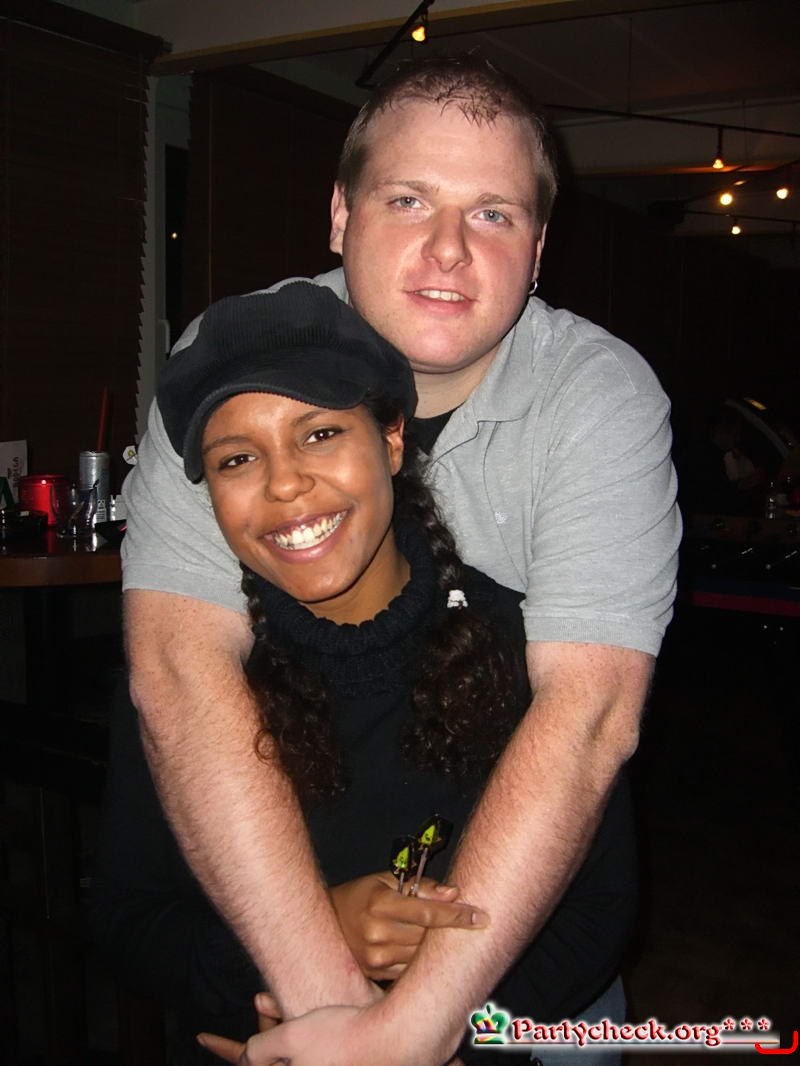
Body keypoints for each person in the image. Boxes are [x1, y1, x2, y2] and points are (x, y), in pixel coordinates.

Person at [121, 54, 679, 1065]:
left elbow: (589, 717)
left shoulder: (597, 397)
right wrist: (332, 1005)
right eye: (408, 198)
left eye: (493, 214)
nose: (448, 249)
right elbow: (177, 670)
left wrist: (410, 1034)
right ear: (340, 216)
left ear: (538, 247)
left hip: (536, 971)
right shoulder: (233, 367)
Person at [91, 282, 637, 1064]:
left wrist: (423, 1036)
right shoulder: (194, 684)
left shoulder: (519, 645)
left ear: (391, 440)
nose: (284, 483)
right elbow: (130, 919)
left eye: (319, 434)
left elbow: (596, 914)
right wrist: (315, 949)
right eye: (237, 459)